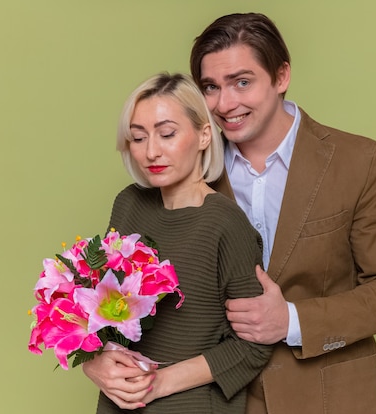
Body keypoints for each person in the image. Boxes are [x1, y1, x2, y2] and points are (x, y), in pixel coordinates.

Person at [186, 12, 376, 414]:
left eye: (242, 82)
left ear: (281, 77)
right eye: (210, 87)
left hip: (333, 397)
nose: (224, 104)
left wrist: (292, 321)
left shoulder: (361, 162)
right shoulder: (189, 171)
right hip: (217, 398)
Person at [83, 72, 272, 413]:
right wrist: (94, 363)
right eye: (138, 138)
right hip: (118, 404)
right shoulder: (128, 205)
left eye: (167, 134)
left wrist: (159, 382)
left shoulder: (226, 224)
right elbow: (103, 313)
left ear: (203, 135)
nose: (151, 151)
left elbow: (253, 346)